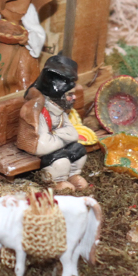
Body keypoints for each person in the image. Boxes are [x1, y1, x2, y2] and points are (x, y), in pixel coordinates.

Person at [17, 56, 89, 191]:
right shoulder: (39, 112)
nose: (73, 98)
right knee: (61, 161)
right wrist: (63, 137)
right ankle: (56, 182)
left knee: (79, 150)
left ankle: (72, 175)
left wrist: (54, 135)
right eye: (69, 94)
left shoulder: (59, 111)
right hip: (39, 153)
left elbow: (73, 135)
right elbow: (42, 146)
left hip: (54, 147)